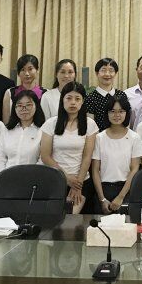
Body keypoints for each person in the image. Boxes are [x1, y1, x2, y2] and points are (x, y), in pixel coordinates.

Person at [40, 82, 99, 213]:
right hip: (56, 180)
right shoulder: (51, 123)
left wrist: (77, 185)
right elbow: (45, 156)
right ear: (62, 100)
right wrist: (66, 178)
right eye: (69, 98)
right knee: (54, 220)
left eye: (77, 99)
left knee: (74, 221)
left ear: (83, 101)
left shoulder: (90, 124)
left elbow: (87, 156)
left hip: (81, 181)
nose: (73, 102)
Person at [91, 95, 142, 214]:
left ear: (127, 113)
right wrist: (102, 199)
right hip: (103, 190)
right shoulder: (99, 138)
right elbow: (95, 170)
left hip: (126, 190)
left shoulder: (134, 137)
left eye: (121, 111)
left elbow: (134, 169)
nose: (117, 115)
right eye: (112, 111)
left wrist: (120, 197)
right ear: (107, 113)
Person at [0, 89, 45, 175]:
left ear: (36, 106)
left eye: (28, 105)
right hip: (6, 177)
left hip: (32, 178)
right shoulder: (7, 130)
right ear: (14, 108)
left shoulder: (43, 131)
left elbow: (43, 160)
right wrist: (2, 175)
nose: (24, 109)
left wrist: (30, 177)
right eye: (20, 105)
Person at [83, 57, 129, 132]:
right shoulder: (90, 98)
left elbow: (126, 120)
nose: (107, 74)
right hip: (98, 137)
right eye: (103, 70)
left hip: (120, 136)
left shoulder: (122, 95)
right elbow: (90, 126)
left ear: (115, 73)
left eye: (111, 71)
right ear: (97, 73)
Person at [2, 54, 45, 124]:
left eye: (30, 69)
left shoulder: (46, 93)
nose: (27, 73)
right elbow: (6, 121)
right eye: (23, 70)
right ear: (18, 73)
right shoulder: (10, 93)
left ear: (37, 70)